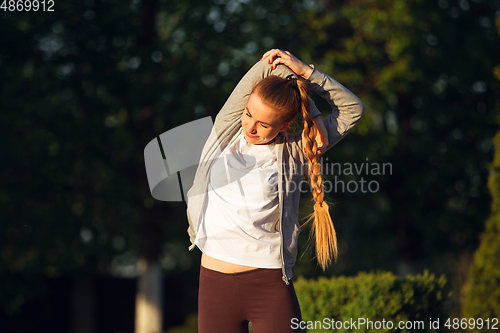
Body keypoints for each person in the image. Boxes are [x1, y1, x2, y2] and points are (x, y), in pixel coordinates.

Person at [185, 49, 365, 333]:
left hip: (269, 283)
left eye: (263, 124)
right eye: (248, 114)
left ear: (284, 125)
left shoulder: (294, 151)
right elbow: (267, 67)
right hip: (214, 282)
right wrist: (314, 110)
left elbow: (353, 109)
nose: (250, 127)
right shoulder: (226, 130)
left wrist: (308, 75)